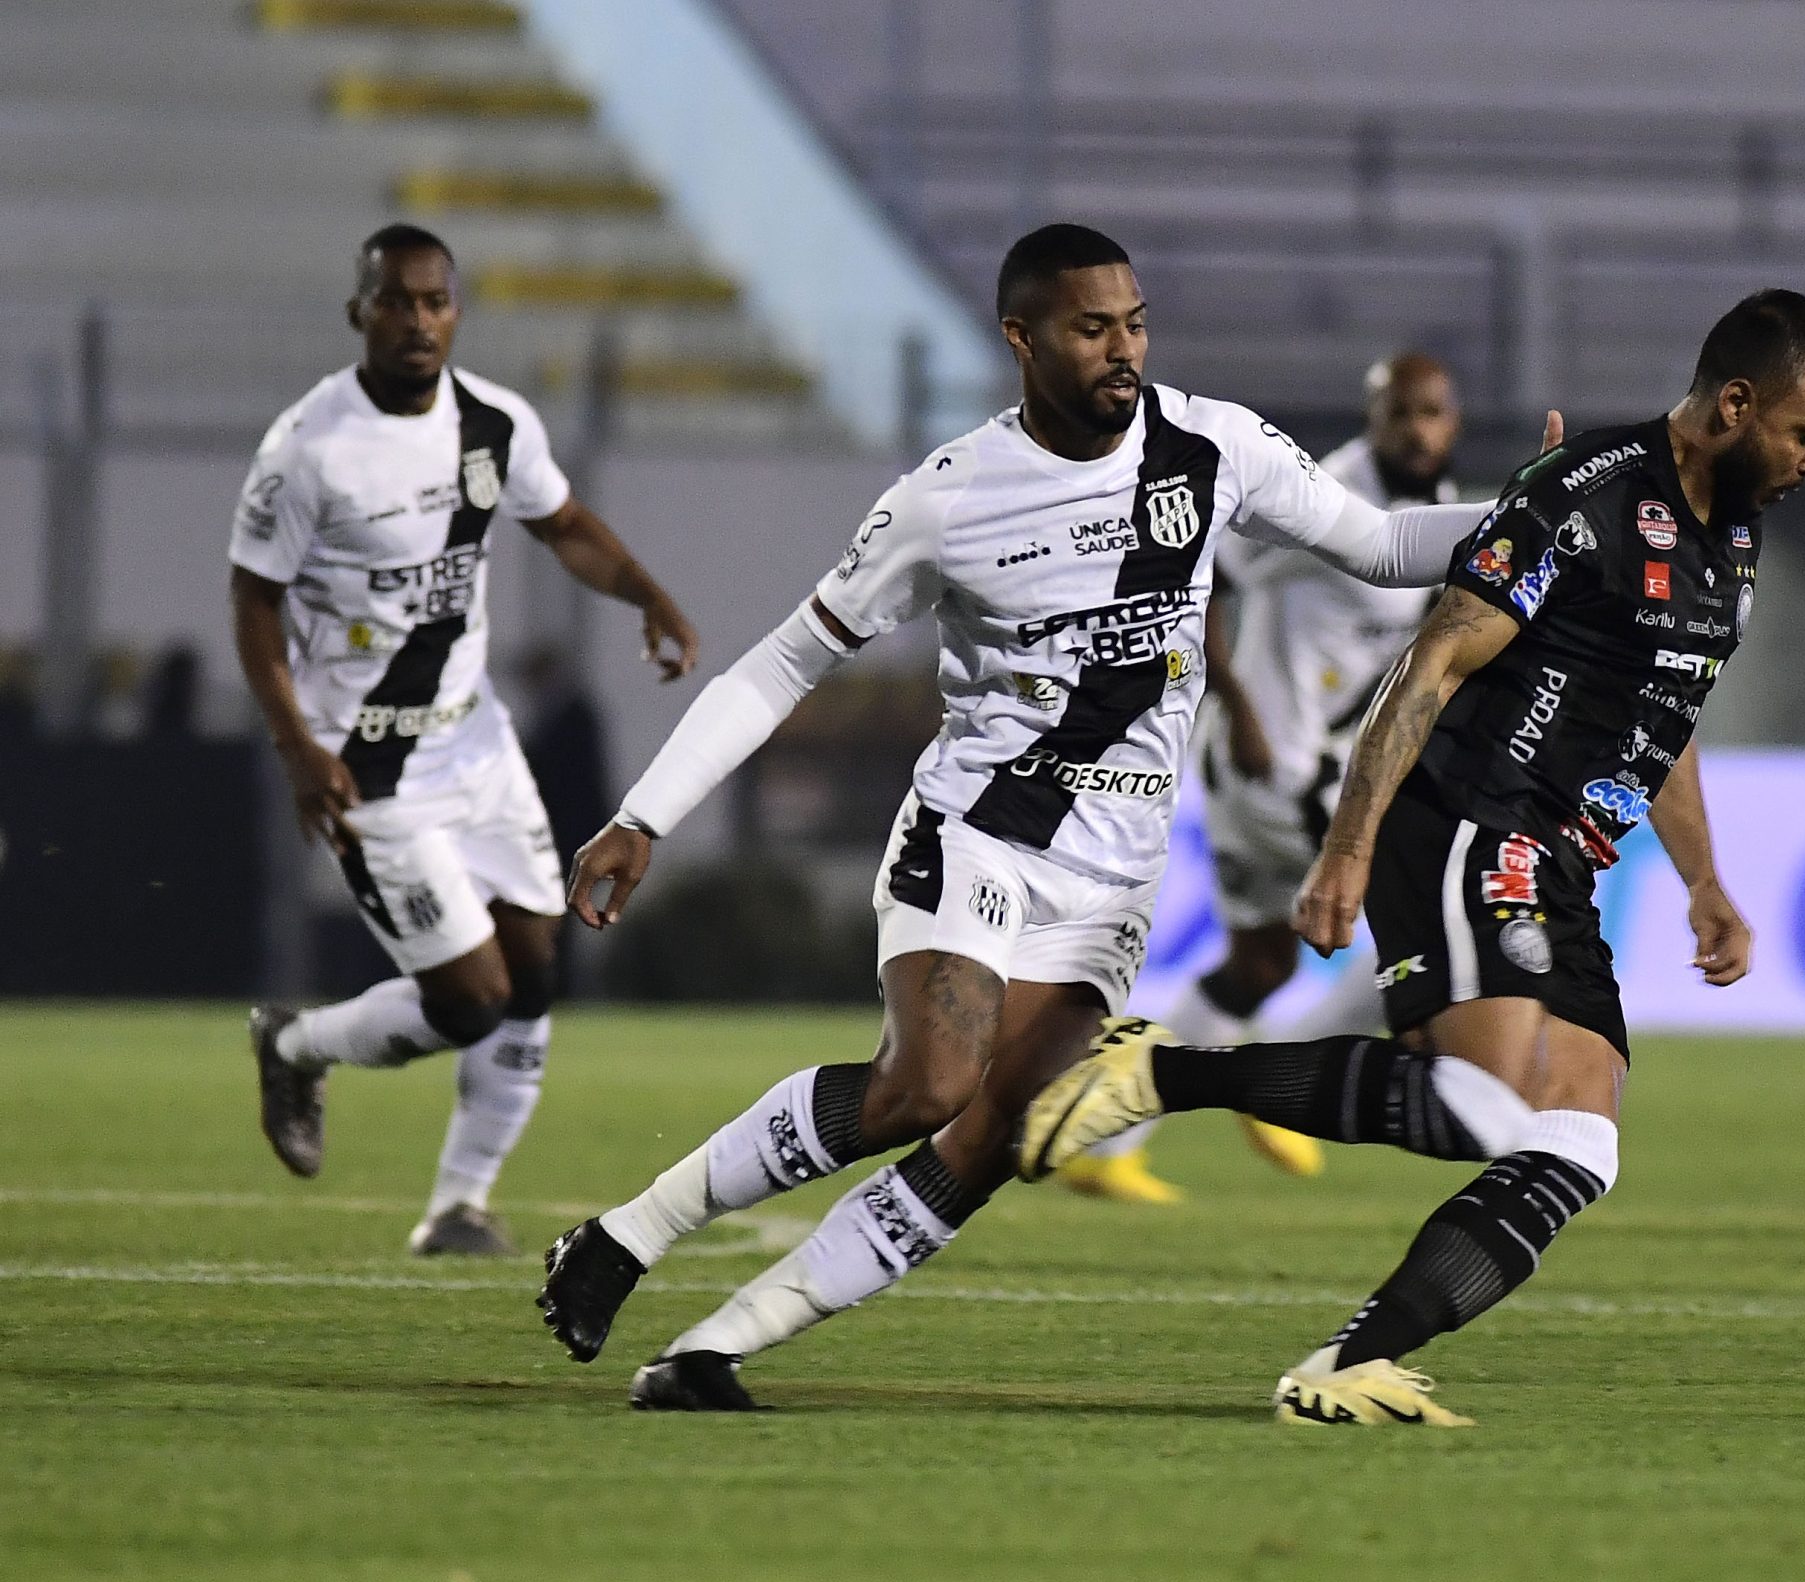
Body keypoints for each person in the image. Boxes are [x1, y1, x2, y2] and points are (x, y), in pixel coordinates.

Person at [535, 223, 1562, 1410]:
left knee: (995, 1136)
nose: (1121, 350)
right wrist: (643, 814)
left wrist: (1527, 512)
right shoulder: (949, 498)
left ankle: (709, 1350)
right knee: (927, 1085)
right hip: (979, 833)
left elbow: (1380, 543)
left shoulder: (1211, 445)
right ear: (1021, 339)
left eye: (1133, 323)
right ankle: (622, 1238)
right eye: (1090, 328)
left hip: (1116, 878)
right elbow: (783, 661)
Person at [1022, 289, 1805, 1427]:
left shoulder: (1734, 535)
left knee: (1576, 1140)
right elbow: (1429, 666)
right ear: (1735, 402)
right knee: (1480, 1105)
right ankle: (1166, 1072)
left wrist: (1705, 880)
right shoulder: (1586, 496)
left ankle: (1347, 1361)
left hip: (1564, 858)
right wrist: (1347, 852)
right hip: (1472, 816)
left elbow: (1664, 714)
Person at [234, 223, 699, 1256]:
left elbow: (564, 521)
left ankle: (458, 1207)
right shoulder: (309, 447)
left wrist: (647, 594)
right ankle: (297, 1042)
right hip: (370, 767)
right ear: (359, 311)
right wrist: (298, 745)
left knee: (534, 973)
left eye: (435, 301)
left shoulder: (494, 424)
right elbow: (253, 601)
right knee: (471, 999)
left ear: (455, 312)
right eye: (395, 301)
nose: (417, 319)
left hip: (476, 746)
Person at [1061, 351, 1464, 1204]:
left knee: (1257, 967)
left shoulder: (1434, 503)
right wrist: (1234, 698)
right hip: (1275, 765)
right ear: (1375, 417)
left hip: (1292, 770)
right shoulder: (1331, 501)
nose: (1419, 431)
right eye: (1404, 414)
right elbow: (1200, 576)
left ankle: (1108, 1142)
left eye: (1433, 414)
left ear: (1452, 421)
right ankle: (1292, 1078)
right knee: (1420, 902)